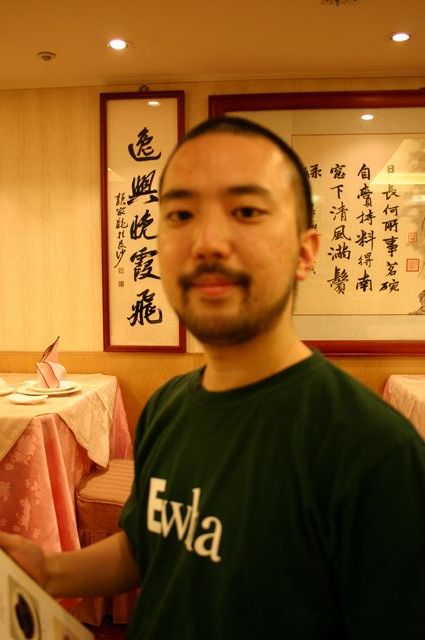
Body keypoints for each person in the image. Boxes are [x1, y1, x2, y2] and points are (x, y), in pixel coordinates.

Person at [1, 116, 425, 639]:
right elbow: (149, 544)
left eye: (246, 211)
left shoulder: (374, 450)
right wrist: (47, 570)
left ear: (305, 252)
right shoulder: (169, 406)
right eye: (181, 214)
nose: (206, 242)